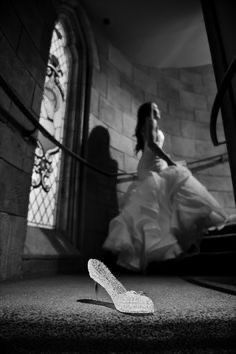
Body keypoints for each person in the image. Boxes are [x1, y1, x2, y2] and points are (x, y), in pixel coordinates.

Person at [103, 102, 228, 272]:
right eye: (156, 108)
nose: (159, 110)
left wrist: (166, 162)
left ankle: (159, 253)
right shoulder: (150, 121)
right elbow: (153, 145)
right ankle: (160, 252)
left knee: (159, 206)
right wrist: (169, 161)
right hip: (152, 165)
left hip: (153, 164)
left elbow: (150, 146)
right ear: (150, 111)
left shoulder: (149, 123)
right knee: (160, 202)